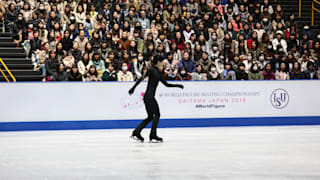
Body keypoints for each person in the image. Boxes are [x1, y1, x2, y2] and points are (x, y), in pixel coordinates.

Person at [128, 55, 184, 143]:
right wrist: (133, 88)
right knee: (157, 114)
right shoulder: (151, 70)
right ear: (158, 62)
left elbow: (166, 84)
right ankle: (152, 135)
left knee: (151, 116)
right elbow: (141, 78)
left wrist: (178, 85)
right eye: (162, 62)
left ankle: (137, 132)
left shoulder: (158, 72)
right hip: (149, 97)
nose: (163, 63)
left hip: (149, 96)